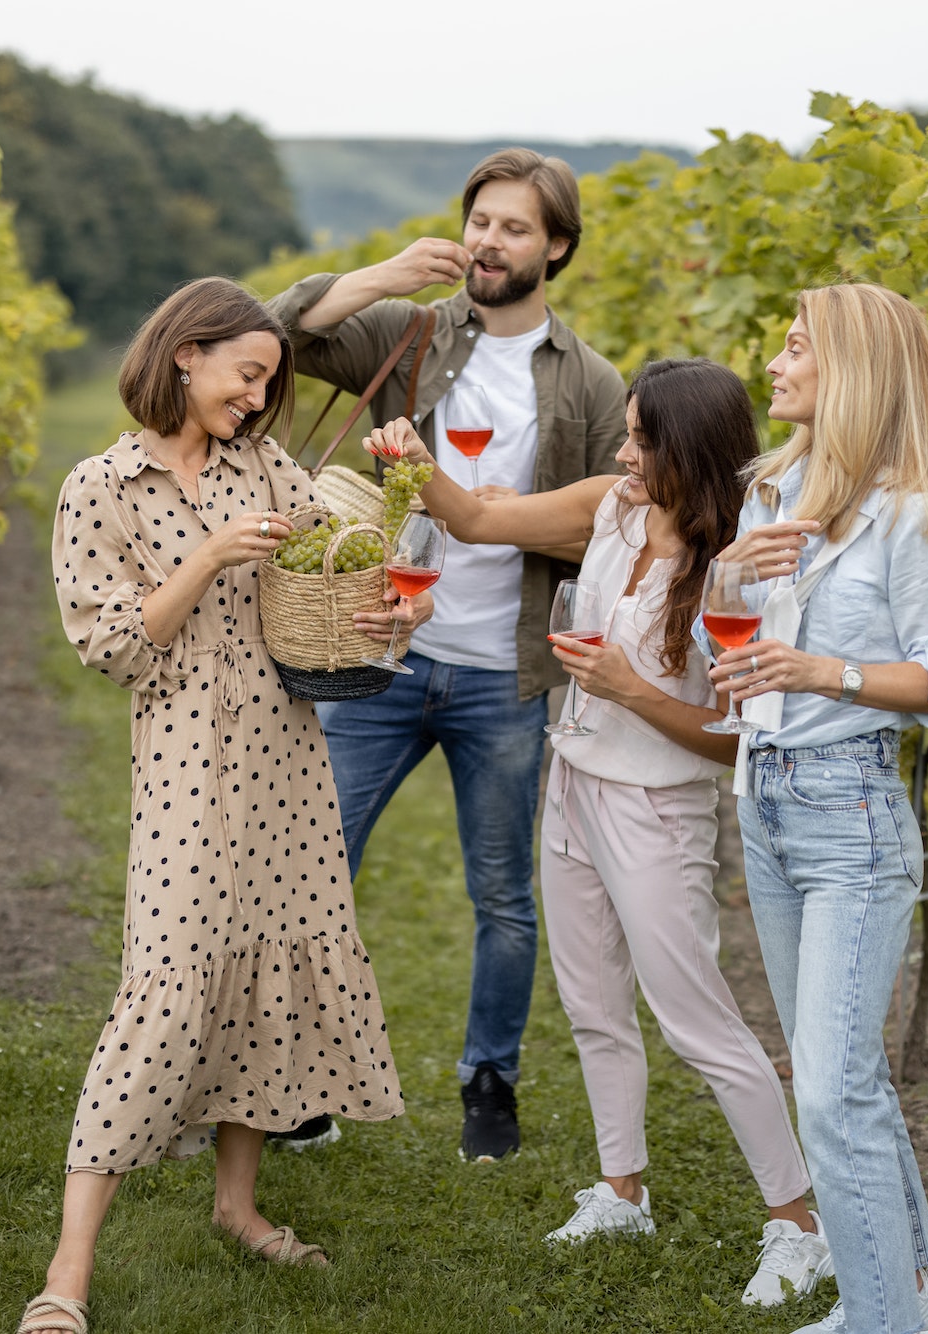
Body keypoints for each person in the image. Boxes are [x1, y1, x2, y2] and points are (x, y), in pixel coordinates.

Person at [360, 358, 835, 1308]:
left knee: (696, 1018)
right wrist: (411, 461)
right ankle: (623, 1189)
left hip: (658, 807)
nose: (622, 455)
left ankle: (802, 1222)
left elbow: (733, 739)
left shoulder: (743, 558)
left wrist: (631, 689)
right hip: (573, 779)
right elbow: (480, 519)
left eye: (640, 442)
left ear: (688, 452)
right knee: (590, 1005)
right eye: (623, 435)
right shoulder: (611, 508)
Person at [20, 278, 412, 1334]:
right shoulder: (98, 486)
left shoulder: (259, 462)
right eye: (247, 376)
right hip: (189, 765)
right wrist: (205, 556)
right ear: (185, 355)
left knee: (270, 966)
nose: (256, 399)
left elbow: (325, 557)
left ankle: (237, 1205)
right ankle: (67, 1270)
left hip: (287, 755)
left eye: (268, 383)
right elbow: (109, 646)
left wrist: (384, 540)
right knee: (167, 984)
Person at [267, 148, 628, 1161]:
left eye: (513, 228)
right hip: (376, 657)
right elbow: (269, 334)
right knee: (314, 866)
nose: (488, 242)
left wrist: (481, 516)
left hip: (500, 673)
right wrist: (382, 275)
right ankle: (297, 1079)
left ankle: (489, 1080)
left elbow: (606, 531)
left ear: (554, 246)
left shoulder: (591, 383)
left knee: (503, 894)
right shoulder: (412, 333)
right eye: (479, 222)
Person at [708, 283, 928, 1334]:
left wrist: (826, 670)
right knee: (841, 1076)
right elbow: (721, 653)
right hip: (767, 806)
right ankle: (901, 1300)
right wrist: (729, 578)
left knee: (828, 1092)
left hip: (850, 817)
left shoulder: (910, 517)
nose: (772, 365)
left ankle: (885, 1322)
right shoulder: (770, 493)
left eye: (794, 348)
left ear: (853, 372)